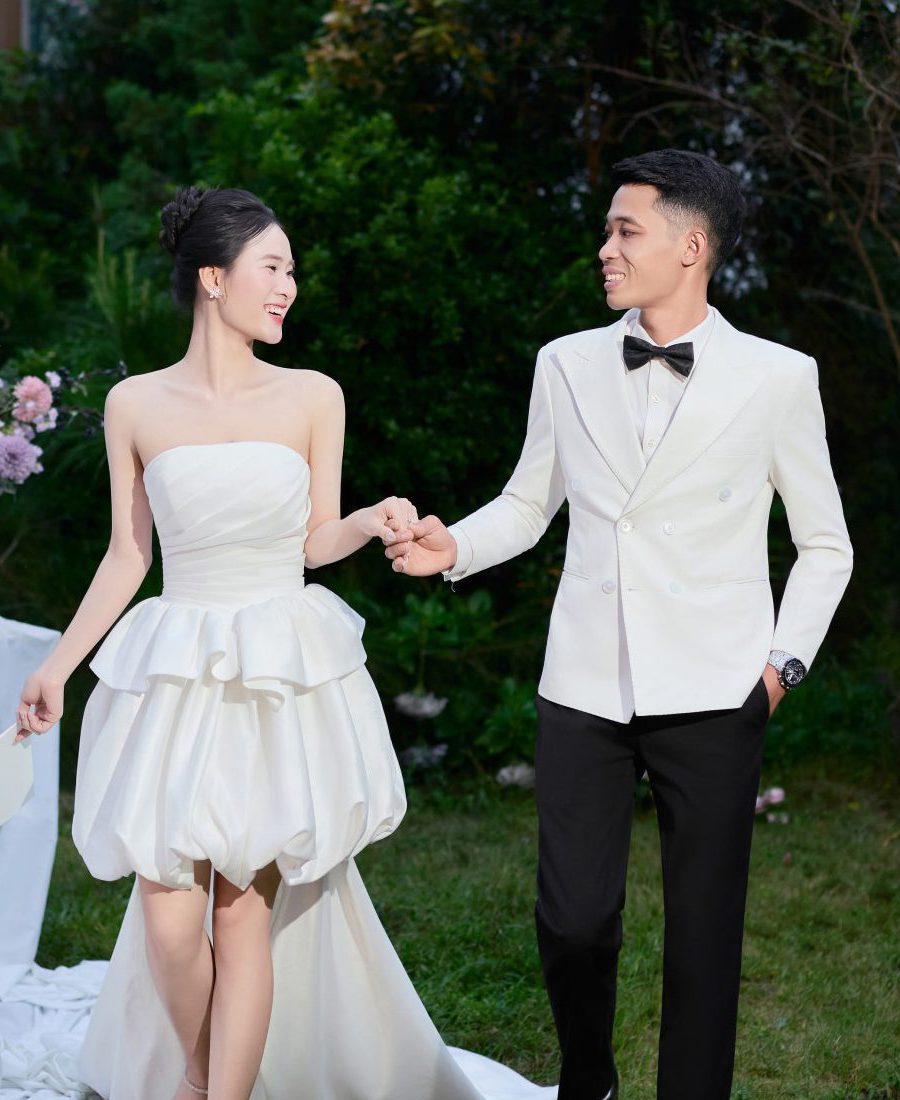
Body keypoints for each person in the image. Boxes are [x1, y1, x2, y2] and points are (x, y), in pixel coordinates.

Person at [14, 187, 556, 1100]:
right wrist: (57, 667)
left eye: (292, 271)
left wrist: (368, 520)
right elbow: (127, 554)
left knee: (242, 916)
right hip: (179, 670)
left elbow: (313, 541)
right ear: (213, 278)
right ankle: (199, 1076)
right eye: (273, 267)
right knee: (169, 920)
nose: (289, 288)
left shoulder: (313, 395)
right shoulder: (134, 404)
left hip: (274, 673)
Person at [385, 149, 853, 1100]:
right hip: (585, 685)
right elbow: (528, 504)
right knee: (573, 921)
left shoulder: (778, 377)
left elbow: (826, 546)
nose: (604, 248)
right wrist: (454, 547)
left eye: (624, 230)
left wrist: (779, 671)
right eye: (606, 230)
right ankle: (587, 1078)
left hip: (718, 690)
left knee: (704, 937)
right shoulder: (565, 362)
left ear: (692, 246)